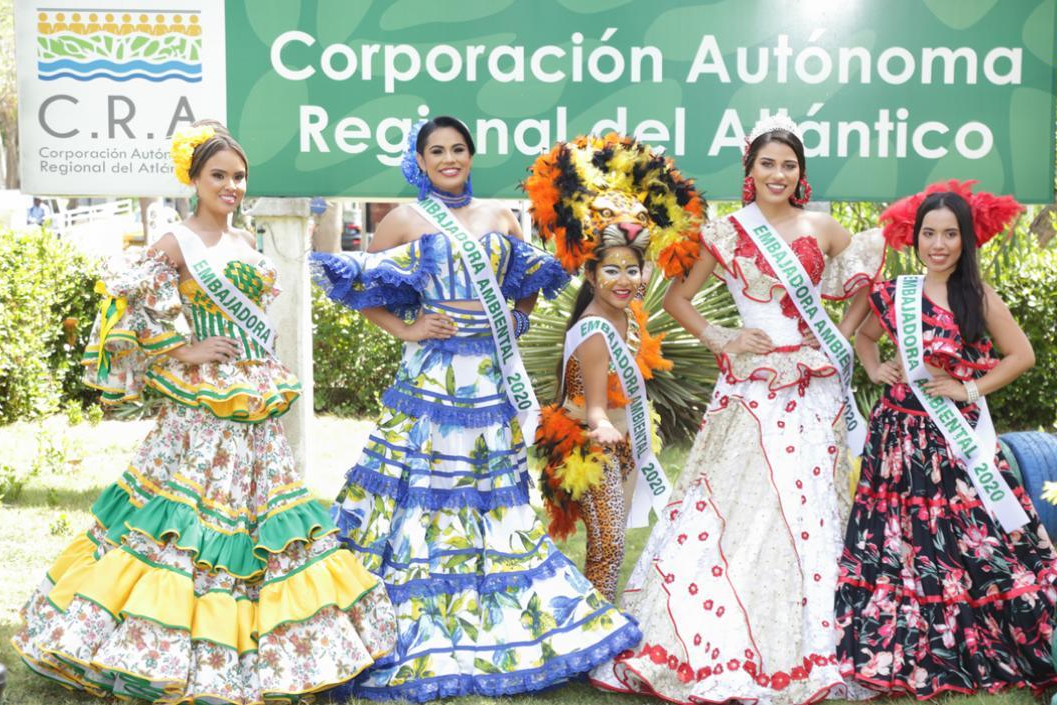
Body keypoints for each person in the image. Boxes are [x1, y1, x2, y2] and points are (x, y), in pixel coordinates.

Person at [10, 120, 397, 703]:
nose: (232, 185)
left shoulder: (245, 242)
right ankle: (162, 644)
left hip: (253, 402)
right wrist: (182, 349)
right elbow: (124, 311)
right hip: (203, 407)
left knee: (258, 526)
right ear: (194, 179)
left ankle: (267, 648)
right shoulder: (175, 240)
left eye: (239, 176)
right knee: (184, 528)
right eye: (219, 175)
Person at [309, 116, 642, 702]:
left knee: (490, 493)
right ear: (420, 158)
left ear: (471, 154)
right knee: (422, 494)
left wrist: (514, 320)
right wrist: (407, 329)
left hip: (490, 380)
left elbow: (528, 279)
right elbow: (360, 286)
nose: (449, 159)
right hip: (434, 380)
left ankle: (497, 612)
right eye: (436, 150)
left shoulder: (500, 216)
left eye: (458, 149)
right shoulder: (403, 219)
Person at [591, 114, 885, 703]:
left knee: (806, 506)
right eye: (767, 164)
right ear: (749, 171)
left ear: (801, 173)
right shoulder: (725, 233)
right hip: (750, 386)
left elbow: (866, 291)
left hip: (813, 385)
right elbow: (677, 299)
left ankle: (810, 640)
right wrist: (723, 340)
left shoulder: (824, 227)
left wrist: (835, 339)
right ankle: (713, 630)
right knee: (732, 499)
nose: (778, 174)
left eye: (789, 165)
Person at [835, 180, 1057, 698]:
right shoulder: (895, 293)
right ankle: (895, 642)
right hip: (895, 439)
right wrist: (876, 369)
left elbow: (1020, 356)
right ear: (914, 238)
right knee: (895, 540)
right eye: (929, 234)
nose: (938, 245)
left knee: (971, 537)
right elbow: (865, 338)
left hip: (954, 443)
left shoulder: (977, 296)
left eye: (950, 234)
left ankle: (978, 632)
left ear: (966, 241)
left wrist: (968, 387)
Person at [528, 134, 704, 601]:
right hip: (590, 442)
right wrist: (605, 426)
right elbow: (596, 410)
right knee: (606, 542)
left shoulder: (624, 316)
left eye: (635, 269)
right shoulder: (593, 329)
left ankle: (595, 621)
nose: (626, 280)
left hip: (622, 437)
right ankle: (593, 627)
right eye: (613, 271)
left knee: (614, 538)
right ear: (590, 275)